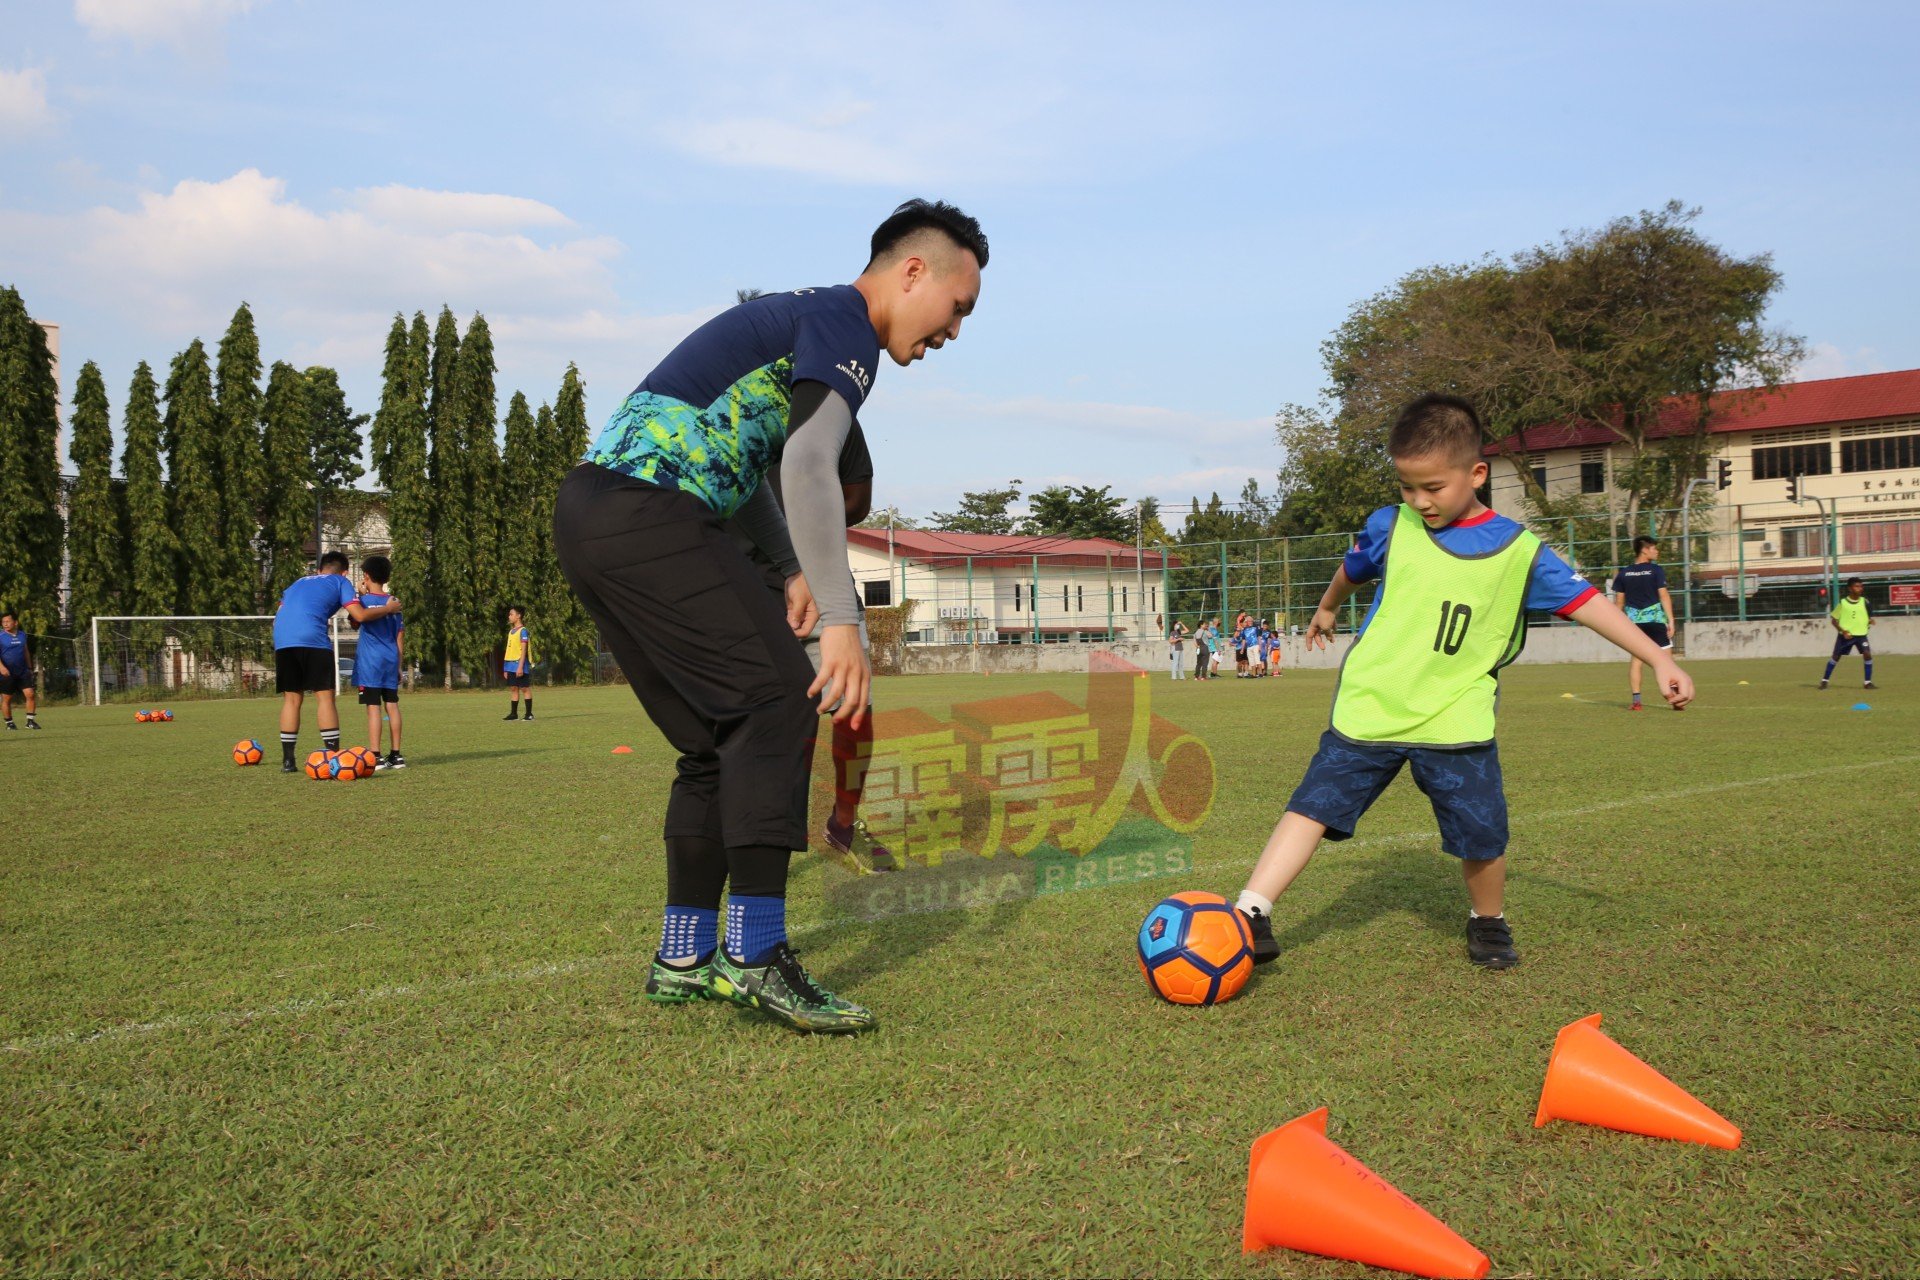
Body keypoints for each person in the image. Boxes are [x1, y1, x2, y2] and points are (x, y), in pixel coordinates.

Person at [552, 198, 986, 1033]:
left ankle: (686, 955)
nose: (953, 332)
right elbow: (810, 461)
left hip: (594, 513)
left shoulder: (796, 321)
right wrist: (840, 616)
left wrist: (789, 564)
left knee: (716, 738)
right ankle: (756, 955)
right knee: (780, 700)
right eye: (957, 308)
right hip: (651, 512)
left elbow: (744, 461)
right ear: (912, 271)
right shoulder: (842, 317)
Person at [1231, 394, 1694, 972]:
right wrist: (1326, 609)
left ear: (1476, 474)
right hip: (1372, 705)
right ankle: (1251, 910)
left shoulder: (1520, 552)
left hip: (1455, 716)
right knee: (1312, 806)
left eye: (1433, 487)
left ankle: (1488, 920)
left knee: (1482, 831)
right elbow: (1351, 571)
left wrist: (1659, 659)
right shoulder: (1388, 526)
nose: (1420, 501)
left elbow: (1591, 605)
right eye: (1407, 487)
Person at [726, 413, 897, 875]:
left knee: (854, 709)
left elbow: (858, 499)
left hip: (826, 586)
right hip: (745, 588)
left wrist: (804, 516)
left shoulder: (835, 413)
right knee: (759, 721)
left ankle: (844, 823)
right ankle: (764, 827)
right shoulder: (741, 413)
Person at [272, 551, 404, 772]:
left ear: (318, 570)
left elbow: (278, 616)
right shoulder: (340, 581)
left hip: (283, 641)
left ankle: (288, 761)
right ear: (344, 572)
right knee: (325, 698)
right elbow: (359, 616)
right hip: (313, 639)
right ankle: (333, 757)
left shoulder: (296, 583)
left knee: (292, 700)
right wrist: (388, 608)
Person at [350, 555, 406, 769]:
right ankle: (396, 755)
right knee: (392, 705)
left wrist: (359, 594)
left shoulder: (361, 603)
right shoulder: (394, 603)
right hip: (390, 659)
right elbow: (399, 636)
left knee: (373, 708)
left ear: (365, 576)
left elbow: (356, 622)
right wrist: (399, 665)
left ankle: (376, 755)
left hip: (370, 662)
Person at [1610, 536, 1676, 710]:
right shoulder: (1656, 570)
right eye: (1653, 548)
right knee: (1667, 663)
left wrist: (1616, 626)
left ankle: (1637, 702)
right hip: (1655, 620)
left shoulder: (1624, 573)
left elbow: (1619, 603)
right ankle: (1676, 700)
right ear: (1644, 550)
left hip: (1634, 624)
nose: (1656, 551)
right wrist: (1671, 620)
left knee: (1636, 661)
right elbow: (1663, 595)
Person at [1821, 577, 1875, 690]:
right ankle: (1824, 681)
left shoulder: (1865, 601)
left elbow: (1869, 615)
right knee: (1836, 657)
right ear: (1850, 588)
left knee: (1867, 654)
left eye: (1861, 586)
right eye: (1857, 586)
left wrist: (1870, 620)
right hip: (1846, 635)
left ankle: (1867, 682)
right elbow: (1833, 620)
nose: (1860, 588)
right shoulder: (1843, 603)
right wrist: (1843, 631)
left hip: (1861, 635)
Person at [0, 611, 39, 730]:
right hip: (7, 673)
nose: (5, 624)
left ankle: (30, 722)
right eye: (3, 622)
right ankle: (9, 723)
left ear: (15, 622)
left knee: (30, 694)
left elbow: (26, 651)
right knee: (7, 698)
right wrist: (1, 667)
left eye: (8, 621)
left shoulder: (22, 635)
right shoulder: (0, 636)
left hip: (23, 671)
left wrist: (30, 668)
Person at [501, 606, 534, 721]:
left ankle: (529, 714)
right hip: (510, 665)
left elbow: (524, 649)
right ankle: (513, 714)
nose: (509, 616)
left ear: (518, 616)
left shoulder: (523, 631)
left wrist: (520, 666)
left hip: (519, 664)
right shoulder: (511, 631)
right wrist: (505, 668)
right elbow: (509, 650)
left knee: (524, 688)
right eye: (509, 614)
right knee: (513, 688)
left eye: (511, 614)